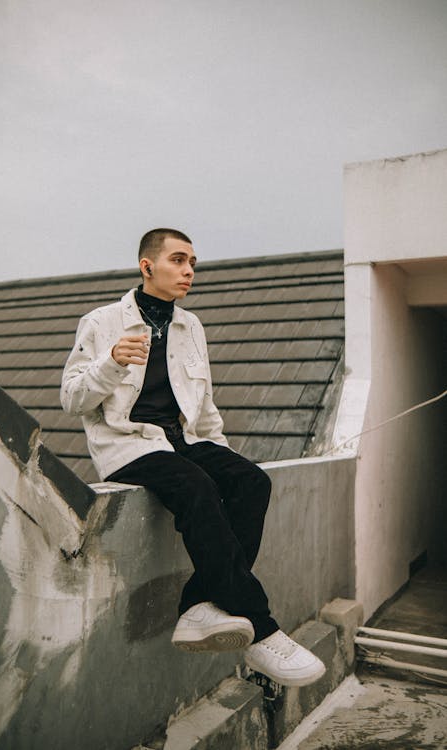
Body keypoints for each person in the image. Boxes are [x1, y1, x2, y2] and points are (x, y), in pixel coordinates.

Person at [60, 228, 325, 687]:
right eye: (178, 261)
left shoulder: (191, 326)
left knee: (250, 481)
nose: (188, 272)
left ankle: (201, 605)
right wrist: (111, 362)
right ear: (148, 267)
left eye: (193, 264)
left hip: (183, 440)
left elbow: (205, 408)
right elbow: (71, 399)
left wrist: (220, 456)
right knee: (195, 486)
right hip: (129, 445)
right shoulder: (101, 322)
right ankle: (261, 630)